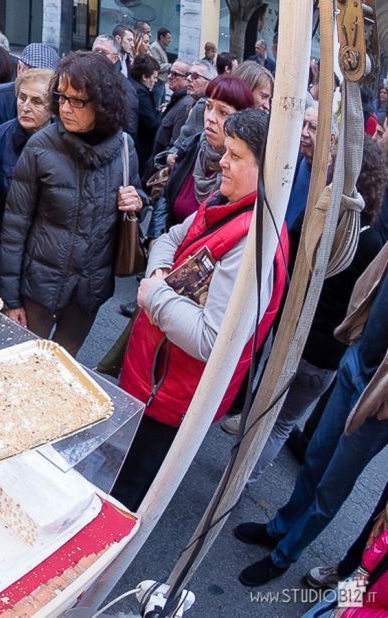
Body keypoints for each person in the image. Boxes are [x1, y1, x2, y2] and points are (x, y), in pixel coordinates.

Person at [111, 109, 287, 511]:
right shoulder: (228, 201)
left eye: (236, 156)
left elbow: (212, 339)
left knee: (126, 490)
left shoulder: (253, 246)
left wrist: (154, 295)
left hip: (170, 395)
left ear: (266, 170)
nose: (222, 161)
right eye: (227, 151)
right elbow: (172, 236)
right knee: (120, 471)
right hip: (154, 379)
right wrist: (159, 272)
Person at [235, 226, 388, 587]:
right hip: (356, 366)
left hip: (379, 401)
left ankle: (284, 554)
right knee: (316, 458)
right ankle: (279, 527)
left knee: (332, 484)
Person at [235, 136, 386, 484]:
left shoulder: (320, 212)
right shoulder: (372, 242)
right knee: (283, 423)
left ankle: (236, 466)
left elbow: (288, 253)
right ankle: (243, 481)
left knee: (263, 410)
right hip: (326, 355)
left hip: (291, 335)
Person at [0, 51, 143, 355]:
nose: (65, 107)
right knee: (20, 360)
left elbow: (137, 199)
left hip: (90, 289)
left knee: (63, 365)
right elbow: (14, 228)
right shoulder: (40, 146)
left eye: (77, 101)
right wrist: (11, 300)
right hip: (38, 285)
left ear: (103, 104)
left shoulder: (125, 148)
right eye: (61, 97)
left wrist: (137, 201)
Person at [0, 67, 55, 292]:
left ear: (53, 107)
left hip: (40, 262)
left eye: (37, 101)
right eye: (22, 97)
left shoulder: (64, 146)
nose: (25, 107)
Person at [147, 75, 254, 239]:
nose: (210, 118)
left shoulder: (244, 172)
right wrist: (156, 238)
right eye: (209, 106)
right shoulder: (194, 147)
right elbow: (166, 196)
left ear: (241, 119)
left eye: (223, 112)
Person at [145, 58, 193, 180]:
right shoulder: (177, 101)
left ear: (187, 79)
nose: (170, 76)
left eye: (175, 74)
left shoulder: (185, 106)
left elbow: (174, 144)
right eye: (170, 72)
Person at [93, 35, 138, 138]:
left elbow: (129, 129)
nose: (98, 55)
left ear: (115, 58)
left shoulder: (124, 88)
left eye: (104, 53)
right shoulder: (84, 77)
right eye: (96, 51)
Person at [129, 54, 161, 179]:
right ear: (144, 77)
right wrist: (160, 113)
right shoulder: (141, 93)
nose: (155, 80)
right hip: (140, 146)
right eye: (154, 77)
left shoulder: (132, 84)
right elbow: (151, 122)